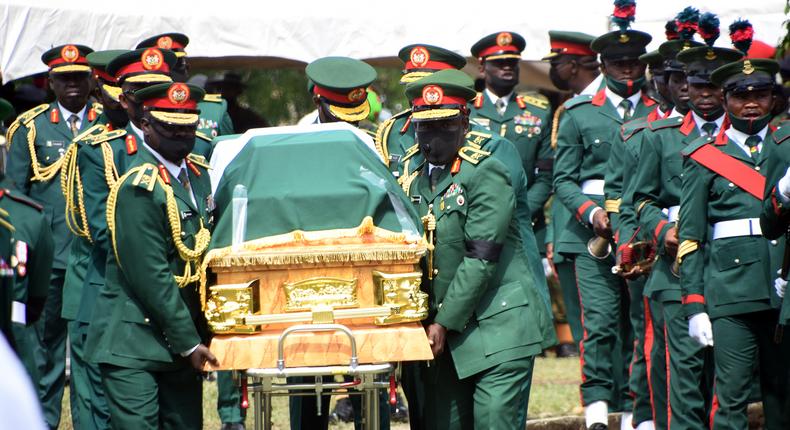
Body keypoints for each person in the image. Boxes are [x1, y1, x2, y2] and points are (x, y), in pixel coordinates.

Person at [404, 68, 544, 429]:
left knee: (492, 420)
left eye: (445, 126)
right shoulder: (410, 178)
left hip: (498, 326)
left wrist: (443, 323)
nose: (433, 138)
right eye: (425, 127)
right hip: (446, 336)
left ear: (465, 123)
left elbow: (481, 257)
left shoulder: (487, 172)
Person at [85, 82, 219, 429]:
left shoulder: (199, 176)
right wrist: (190, 343)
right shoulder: (139, 187)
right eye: (170, 127)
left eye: (188, 127)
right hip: (135, 343)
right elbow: (151, 275)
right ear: (146, 125)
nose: (181, 136)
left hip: (180, 338)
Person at [632, 13, 739, 430]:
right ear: (685, 88)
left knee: (730, 375)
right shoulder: (661, 136)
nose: (707, 95)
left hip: (734, 269)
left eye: (715, 86)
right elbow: (640, 200)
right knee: (684, 373)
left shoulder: (749, 137)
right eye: (697, 86)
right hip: (677, 267)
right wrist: (663, 231)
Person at [553, 2, 657, 428]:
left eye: (634, 62)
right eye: (618, 63)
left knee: (640, 323)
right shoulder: (579, 112)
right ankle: (597, 408)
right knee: (599, 324)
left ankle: (639, 409)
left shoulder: (658, 110)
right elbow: (563, 180)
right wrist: (593, 214)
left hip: (643, 228)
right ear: (602, 64)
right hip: (592, 233)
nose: (627, 70)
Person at [680, 34, 790, 428]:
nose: (750, 103)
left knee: (784, 395)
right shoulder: (705, 157)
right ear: (725, 100)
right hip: (731, 294)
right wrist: (694, 304)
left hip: (784, 287)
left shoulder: (787, 145)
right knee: (731, 397)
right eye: (740, 95)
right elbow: (690, 236)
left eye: (760, 94)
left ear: (773, 99)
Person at [605, 9, 702, 429]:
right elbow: (628, 200)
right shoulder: (640, 133)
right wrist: (634, 247)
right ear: (659, 79)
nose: (683, 87)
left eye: (691, 78)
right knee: (655, 347)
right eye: (674, 77)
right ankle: (646, 417)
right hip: (659, 255)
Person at [5, 43, 99, 429]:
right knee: (43, 351)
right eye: (65, 79)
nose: (73, 86)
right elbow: (15, 196)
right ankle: (42, 421)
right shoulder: (32, 128)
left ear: (91, 80)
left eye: (79, 78)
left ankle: (88, 423)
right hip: (49, 257)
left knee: (88, 354)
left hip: (93, 256)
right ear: (51, 83)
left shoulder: (107, 122)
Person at [469, 31, 554, 286]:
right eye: (499, 63)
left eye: (512, 63)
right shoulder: (467, 109)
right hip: (475, 224)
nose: (507, 68)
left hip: (526, 225)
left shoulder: (539, 111)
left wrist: (521, 209)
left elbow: (547, 174)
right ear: (483, 67)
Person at [543, 29, 601, 356]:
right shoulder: (570, 107)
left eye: (558, 62)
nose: (555, 70)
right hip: (569, 226)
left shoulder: (600, 104)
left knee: (602, 319)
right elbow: (562, 180)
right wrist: (554, 231)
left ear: (576, 64)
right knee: (583, 324)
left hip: (596, 222)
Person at [136, 33, 234, 143]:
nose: (167, 70)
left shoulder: (214, 110)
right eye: (161, 65)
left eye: (177, 63)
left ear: (187, 67)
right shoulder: (135, 107)